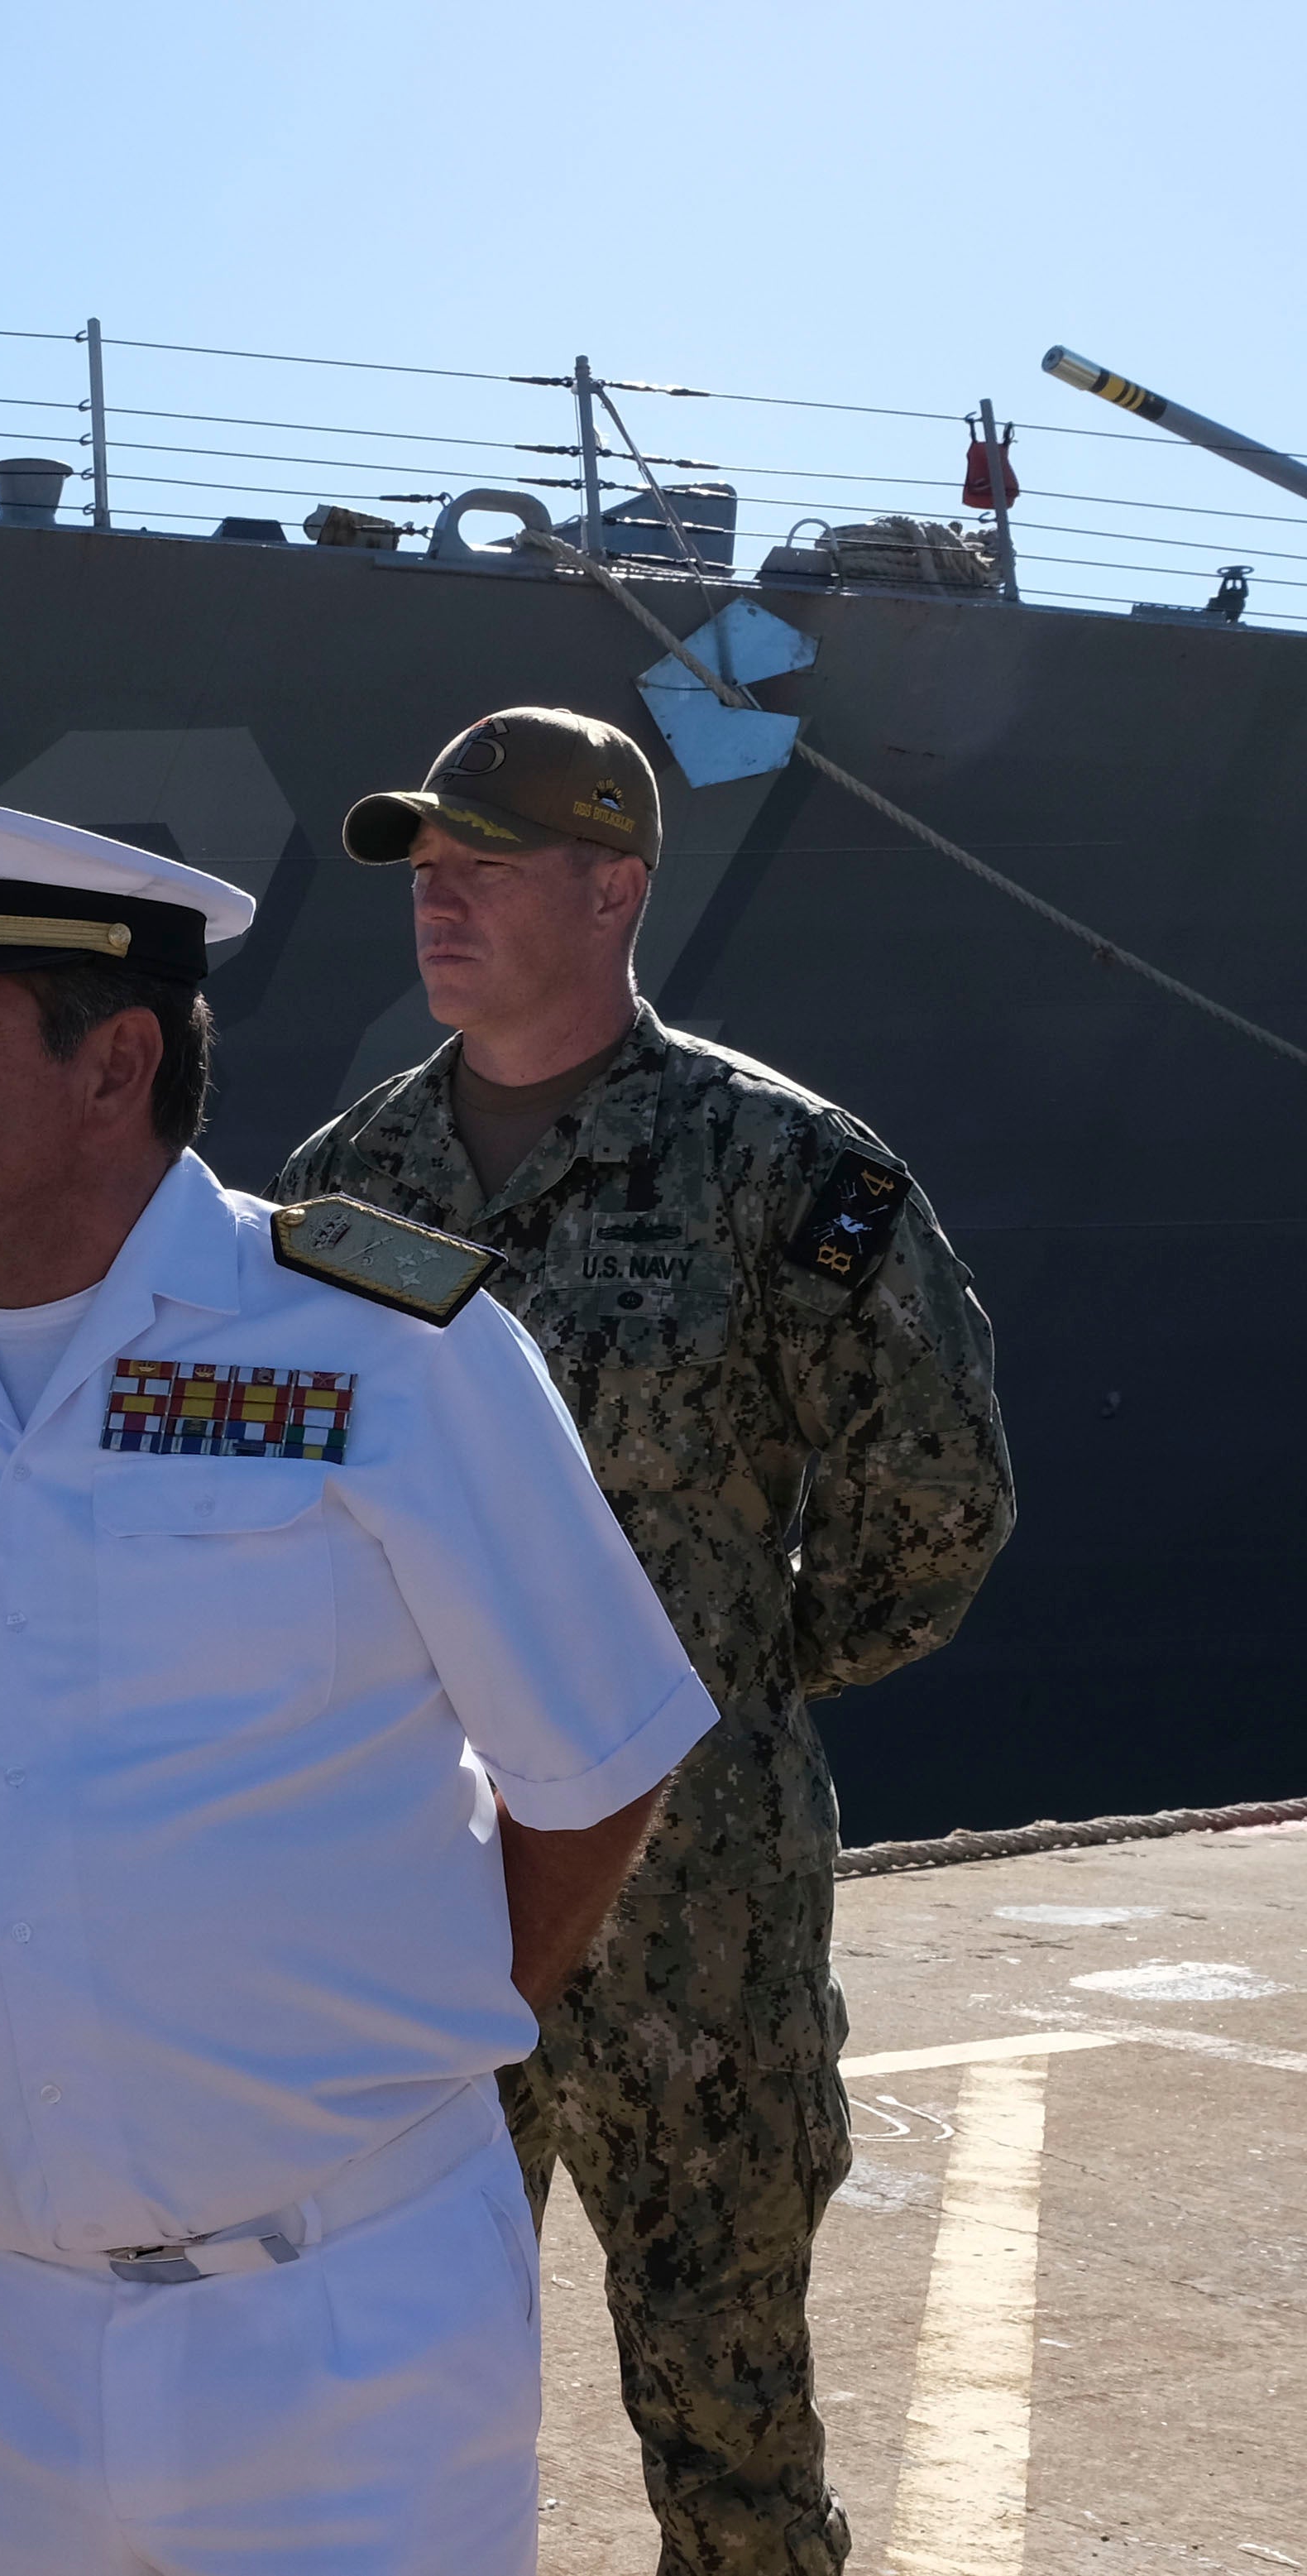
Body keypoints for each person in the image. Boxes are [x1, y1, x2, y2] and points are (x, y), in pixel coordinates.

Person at [0, 781, 726, 2574]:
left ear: (115, 1062)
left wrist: (394, 2062)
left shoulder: (381, 1350)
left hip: (337, 2330)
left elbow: (597, 1755)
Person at [280, 708, 1016, 2574]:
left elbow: (935, 1494)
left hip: (700, 1926)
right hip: (418, 1902)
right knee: (375, 2415)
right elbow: (279, 1512)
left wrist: (724, 1673)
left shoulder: (783, 1166)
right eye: (422, 868)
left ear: (610, 889)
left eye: (481, 864)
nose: (435, 900)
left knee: (728, 2431)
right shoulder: (346, 1183)